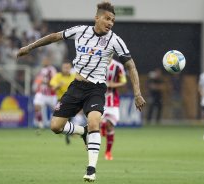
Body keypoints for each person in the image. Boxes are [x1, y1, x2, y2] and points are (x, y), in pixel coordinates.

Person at [17, 1, 146, 182]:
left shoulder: (115, 40)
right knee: (55, 127)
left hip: (97, 89)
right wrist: (29, 47)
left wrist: (137, 93)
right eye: (107, 19)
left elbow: (131, 66)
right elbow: (54, 36)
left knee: (94, 122)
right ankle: (82, 132)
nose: (110, 23)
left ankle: (91, 169)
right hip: (76, 86)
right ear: (97, 18)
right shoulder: (80, 31)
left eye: (113, 20)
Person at [101, 58, 127, 160]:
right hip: (98, 98)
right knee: (97, 123)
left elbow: (123, 81)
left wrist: (113, 84)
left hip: (112, 100)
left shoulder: (118, 66)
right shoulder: (97, 62)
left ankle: (108, 152)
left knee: (110, 126)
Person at [50, 61, 75, 144]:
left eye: (68, 68)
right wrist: (58, 85)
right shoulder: (57, 76)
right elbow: (53, 88)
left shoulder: (74, 77)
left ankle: (67, 132)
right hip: (60, 100)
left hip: (73, 101)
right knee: (57, 121)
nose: (66, 69)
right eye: (65, 67)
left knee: (67, 119)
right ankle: (66, 131)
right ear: (62, 68)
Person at [32, 57, 57, 129]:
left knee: (55, 111)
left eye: (46, 61)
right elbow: (38, 80)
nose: (44, 62)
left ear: (49, 62)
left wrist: (45, 82)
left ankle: (54, 124)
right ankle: (40, 123)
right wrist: (36, 86)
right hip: (41, 93)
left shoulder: (52, 70)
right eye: (43, 61)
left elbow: (54, 81)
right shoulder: (41, 70)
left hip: (51, 94)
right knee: (37, 106)